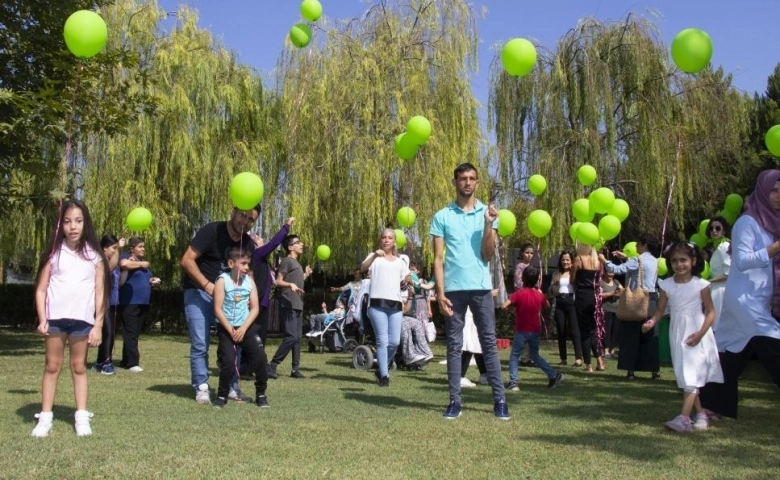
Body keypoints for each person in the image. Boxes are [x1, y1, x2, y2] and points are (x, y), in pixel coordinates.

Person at [430, 162, 509, 420]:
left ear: (477, 182)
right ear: (455, 182)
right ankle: (454, 401)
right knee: (454, 346)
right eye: (462, 178)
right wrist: (440, 293)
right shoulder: (442, 216)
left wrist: (488, 225)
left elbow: (487, 255)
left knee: (488, 343)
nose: (467, 182)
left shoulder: (489, 213)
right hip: (453, 290)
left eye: (471, 178)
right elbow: (438, 259)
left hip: (481, 288)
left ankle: (500, 401)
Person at [699, 169, 780, 418]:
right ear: (763, 191)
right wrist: (775, 248)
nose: (778, 196)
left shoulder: (773, 224)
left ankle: (711, 405)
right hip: (744, 300)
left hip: (756, 299)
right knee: (775, 344)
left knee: (730, 351)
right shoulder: (748, 222)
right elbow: (742, 261)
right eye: (774, 190)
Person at [31, 199, 109, 437]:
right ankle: (45, 418)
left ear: (85, 223)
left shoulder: (95, 257)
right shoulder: (53, 254)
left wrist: (97, 325)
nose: (73, 227)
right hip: (55, 320)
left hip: (82, 322)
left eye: (78, 221)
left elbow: (100, 293)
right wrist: (43, 319)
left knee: (79, 367)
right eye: (67, 222)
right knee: (52, 366)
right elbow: (41, 289)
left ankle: (81, 416)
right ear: (60, 225)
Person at [180, 205, 260, 404]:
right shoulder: (212, 231)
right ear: (233, 211)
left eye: (251, 220)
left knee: (235, 342)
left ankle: (232, 388)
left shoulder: (248, 243)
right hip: (199, 292)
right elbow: (187, 260)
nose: (246, 222)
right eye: (243, 215)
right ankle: (201, 387)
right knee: (200, 343)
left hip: (231, 299)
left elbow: (248, 275)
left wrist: (251, 299)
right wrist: (208, 286)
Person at [643, 242, 723, 432]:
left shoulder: (700, 285)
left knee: (691, 373)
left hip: (697, 331)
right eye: (675, 261)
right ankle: (701, 413)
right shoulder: (667, 285)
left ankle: (684, 418)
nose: (679, 265)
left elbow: (711, 312)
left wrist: (700, 334)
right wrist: (651, 322)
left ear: (693, 261)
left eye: (683, 260)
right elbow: (660, 310)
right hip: (678, 331)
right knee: (686, 373)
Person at [212, 247, 269, 409]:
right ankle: (222, 395)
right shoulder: (222, 281)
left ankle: (261, 394)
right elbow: (217, 309)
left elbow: (255, 308)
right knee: (228, 362)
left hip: (246, 327)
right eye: (243, 263)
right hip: (227, 328)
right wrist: (231, 330)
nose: (246, 268)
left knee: (260, 358)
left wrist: (243, 329)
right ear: (231, 263)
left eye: (248, 264)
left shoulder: (249, 282)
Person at [599, 234, 660, 380]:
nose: (636, 247)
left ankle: (631, 370)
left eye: (638, 244)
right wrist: (626, 257)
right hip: (651, 300)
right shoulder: (654, 261)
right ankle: (654, 370)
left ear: (644, 244)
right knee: (650, 336)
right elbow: (640, 269)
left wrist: (604, 260)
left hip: (636, 301)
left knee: (631, 335)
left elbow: (618, 269)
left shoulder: (636, 260)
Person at [360, 228, 410, 387]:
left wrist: (408, 281)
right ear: (380, 240)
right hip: (377, 304)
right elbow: (362, 268)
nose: (386, 240)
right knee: (382, 341)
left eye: (390, 238)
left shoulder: (400, 261)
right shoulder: (374, 257)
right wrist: (375, 255)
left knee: (394, 342)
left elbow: (406, 278)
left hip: (395, 304)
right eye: (384, 237)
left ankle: (380, 368)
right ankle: (384, 376)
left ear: (395, 242)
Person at [502, 267, 565, 391]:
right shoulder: (538, 295)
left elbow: (504, 305)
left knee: (515, 355)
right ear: (537, 280)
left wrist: (514, 311)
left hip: (521, 330)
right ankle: (554, 375)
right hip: (535, 330)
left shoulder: (519, 293)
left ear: (523, 279)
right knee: (535, 356)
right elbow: (547, 305)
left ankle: (513, 382)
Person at [267, 234, 313, 379]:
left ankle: (295, 369)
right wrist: (290, 285)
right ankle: (272, 365)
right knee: (291, 337)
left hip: (298, 303)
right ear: (290, 247)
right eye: (298, 242)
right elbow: (278, 282)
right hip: (288, 303)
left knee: (298, 338)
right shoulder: (287, 261)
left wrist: (305, 275)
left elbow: (295, 281)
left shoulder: (297, 264)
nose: (302, 244)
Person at [118, 236, 160, 372]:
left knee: (134, 332)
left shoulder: (142, 262)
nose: (143, 249)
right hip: (130, 301)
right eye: (140, 246)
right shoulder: (127, 257)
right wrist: (142, 264)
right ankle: (132, 363)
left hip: (143, 302)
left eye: (143, 246)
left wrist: (152, 280)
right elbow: (123, 264)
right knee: (130, 331)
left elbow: (142, 278)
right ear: (132, 248)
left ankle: (125, 360)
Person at [251, 217, 295, 345]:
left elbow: (274, 282)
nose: (262, 240)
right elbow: (274, 243)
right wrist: (286, 226)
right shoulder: (257, 253)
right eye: (259, 239)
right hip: (257, 301)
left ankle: (258, 362)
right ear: (254, 244)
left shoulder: (264, 261)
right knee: (254, 335)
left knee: (261, 335)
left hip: (263, 302)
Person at [93, 234, 125, 375]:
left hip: (113, 302)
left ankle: (100, 362)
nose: (114, 251)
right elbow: (110, 268)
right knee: (108, 333)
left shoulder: (111, 259)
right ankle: (106, 363)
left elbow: (119, 280)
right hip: (103, 302)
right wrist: (119, 248)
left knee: (108, 332)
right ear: (104, 248)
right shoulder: (101, 261)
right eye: (113, 248)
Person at [571, 242, 605, 373]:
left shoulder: (579, 259)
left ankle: (588, 365)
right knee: (594, 329)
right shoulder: (597, 261)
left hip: (582, 296)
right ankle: (600, 361)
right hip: (595, 296)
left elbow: (572, 279)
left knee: (584, 331)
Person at [550, 249, 582, 366]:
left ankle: (578, 358)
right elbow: (551, 289)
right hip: (559, 302)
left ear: (572, 261)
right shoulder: (556, 273)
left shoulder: (576, 273)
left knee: (574, 330)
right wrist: (553, 289)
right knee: (561, 330)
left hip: (571, 302)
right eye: (563, 260)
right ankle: (563, 358)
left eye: (568, 260)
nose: (565, 262)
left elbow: (578, 288)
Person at [705, 216, 731, 331]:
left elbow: (728, 274)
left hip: (721, 291)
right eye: (711, 228)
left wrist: (708, 281)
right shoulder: (717, 247)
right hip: (715, 289)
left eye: (717, 228)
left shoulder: (724, 246)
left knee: (717, 325)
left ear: (724, 230)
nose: (714, 231)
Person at [399, 284, 434, 366]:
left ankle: (424, 352)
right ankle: (409, 355)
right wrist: (410, 297)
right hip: (393, 318)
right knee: (404, 323)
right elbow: (404, 311)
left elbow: (405, 311)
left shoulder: (404, 288)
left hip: (401, 316)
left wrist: (409, 297)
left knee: (417, 323)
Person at [460, 306, 487, 387]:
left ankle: (484, 374)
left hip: (475, 314)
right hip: (469, 315)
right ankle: (460, 376)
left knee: (477, 345)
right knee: (469, 345)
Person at [600, 270, 623, 359]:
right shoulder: (601, 282)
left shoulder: (616, 282)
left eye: (613, 272)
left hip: (616, 310)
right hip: (606, 310)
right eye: (609, 272)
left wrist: (619, 293)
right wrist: (612, 293)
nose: (611, 274)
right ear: (605, 272)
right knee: (607, 330)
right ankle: (605, 350)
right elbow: (599, 295)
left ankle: (611, 350)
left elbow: (623, 291)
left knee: (615, 331)